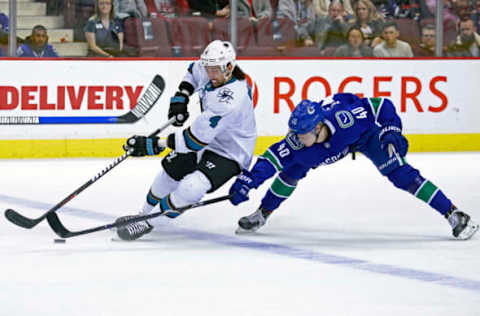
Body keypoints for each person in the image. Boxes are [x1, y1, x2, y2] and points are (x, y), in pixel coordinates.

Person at [228, 93, 478, 240]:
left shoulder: (347, 121)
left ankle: (454, 214)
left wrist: (391, 129)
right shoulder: (299, 141)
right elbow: (271, 158)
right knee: (291, 169)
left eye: (301, 133)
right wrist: (248, 181)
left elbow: (381, 105)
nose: (295, 137)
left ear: (317, 127)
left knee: (402, 175)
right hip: (331, 148)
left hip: (365, 137)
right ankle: (263, 213)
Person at [115, 40, 257, 241]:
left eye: (215, 70)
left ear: (229, 67)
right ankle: (143, 214)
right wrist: (182, 96)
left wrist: (153, 145)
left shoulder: (231, 100)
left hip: (231, 152)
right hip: (208, 139)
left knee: (192, 186)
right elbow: (193, 70)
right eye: (209, 68)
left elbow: (193, 141)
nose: (210, 75)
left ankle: (147, 223)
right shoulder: (210, 68)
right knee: (169, 172)